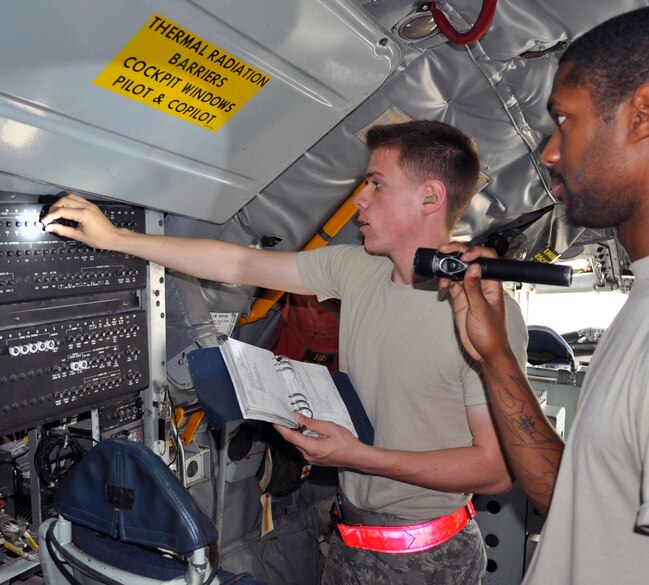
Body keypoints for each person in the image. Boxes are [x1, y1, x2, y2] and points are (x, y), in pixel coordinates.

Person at [42, 120, 528, 584]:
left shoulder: (482, 311)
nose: (359, 199)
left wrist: (361, 456)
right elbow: (240, 261)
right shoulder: (356, 268)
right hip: (351, 538)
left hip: (427, 557)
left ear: (430, 196)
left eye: (377, 184)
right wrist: (117, 239)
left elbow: (495, 468)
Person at [442, 5, 649, 584]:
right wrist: (495, 358)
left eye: (565, 121)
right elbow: (573, 495)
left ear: (643, 114)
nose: (549, 152)